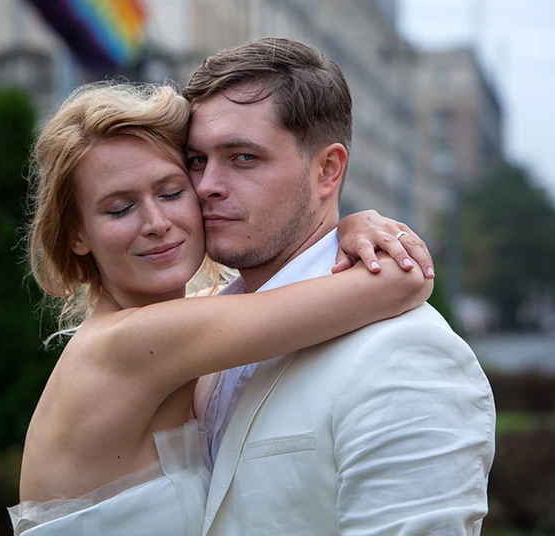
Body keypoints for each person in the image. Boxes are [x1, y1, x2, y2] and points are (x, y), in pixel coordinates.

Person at [8, 80, 434, 535]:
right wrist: (353, 227)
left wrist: (352, 225)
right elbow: (400, 280)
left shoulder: (187, 336)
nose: (156, 223)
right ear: (77, 235)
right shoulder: (132, 343)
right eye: (119, 209)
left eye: (171, 193)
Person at [183, 37, 496, 535]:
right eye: (196, 160)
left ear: (327, 170)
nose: (206, 185)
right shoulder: (196, 331)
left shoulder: (407, 352)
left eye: (242, 157)